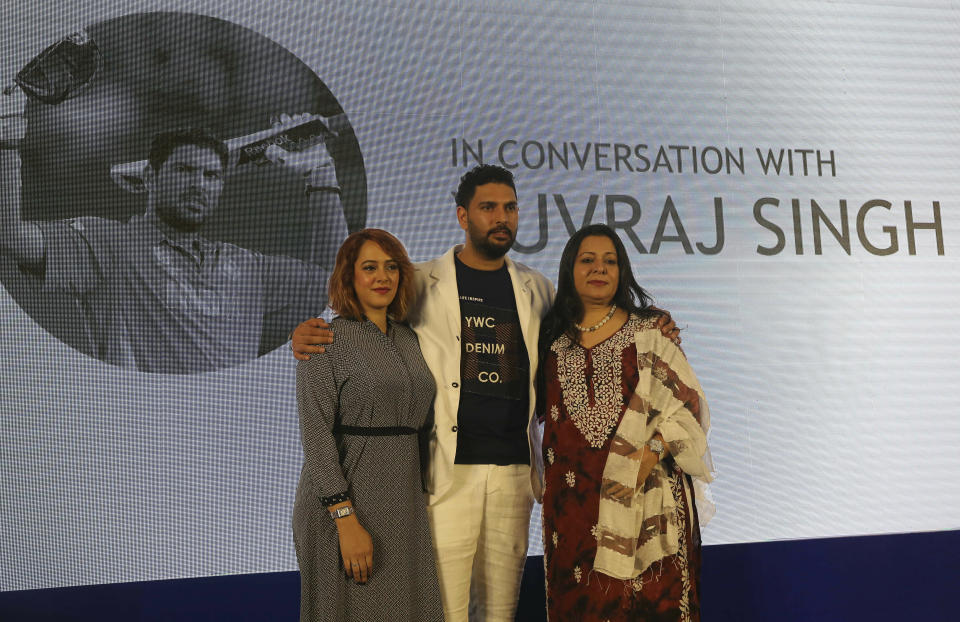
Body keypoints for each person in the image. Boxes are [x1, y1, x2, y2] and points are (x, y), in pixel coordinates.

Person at [292, 166, 680, 622]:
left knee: (499, 613)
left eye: (510, 208)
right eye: (488, 208)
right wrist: (308, 330)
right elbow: (367, 310)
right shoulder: (418, 281)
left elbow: (590, 319)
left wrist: (649, 322)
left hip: (514, 474)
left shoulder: (536, 287)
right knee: (443, 612)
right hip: (446, 475)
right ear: (462, 216)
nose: (502, 217)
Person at [0, 125, 332, 373]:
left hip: (229, 439)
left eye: (211, 175)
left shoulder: (247, 266)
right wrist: (8, 139)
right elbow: (10, 234)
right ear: (150, 176)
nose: (198, 184)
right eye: (184, 170)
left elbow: (339, 286)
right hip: (150, 436)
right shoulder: (107, 242)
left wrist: (320, 174)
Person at [537, 224, 715, 622]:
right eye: (588, 260)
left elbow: (690, 408)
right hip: (573, 512)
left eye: (610, 261)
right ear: (569, 269)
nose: (599, 269)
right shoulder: (549, 339)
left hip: (646, 500)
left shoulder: (651, 331)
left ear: (622, 271)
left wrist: (651, 454)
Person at [293, 228, 442, 622]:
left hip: (403, 503)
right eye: (370, 267)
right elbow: (316, 435)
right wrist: (345, 519)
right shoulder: (324, 339)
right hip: (343, 507)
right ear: (348, 277)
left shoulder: (410, 338)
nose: (383, 277)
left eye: (391, 267)